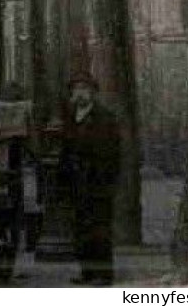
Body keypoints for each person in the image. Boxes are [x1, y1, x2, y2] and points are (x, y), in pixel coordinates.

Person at [60, 73, 120, 286]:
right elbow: (65, 150)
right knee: (81, 229)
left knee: (100, 229)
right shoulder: (70, 116)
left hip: (98, 182)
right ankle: (87, 272)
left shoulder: (104, 117)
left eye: (85, 88)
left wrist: (105, 179)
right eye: (77, 89)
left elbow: (112, 151)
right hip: (77, 182)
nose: (80, 93)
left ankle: (103, 275)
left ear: (93, 92)